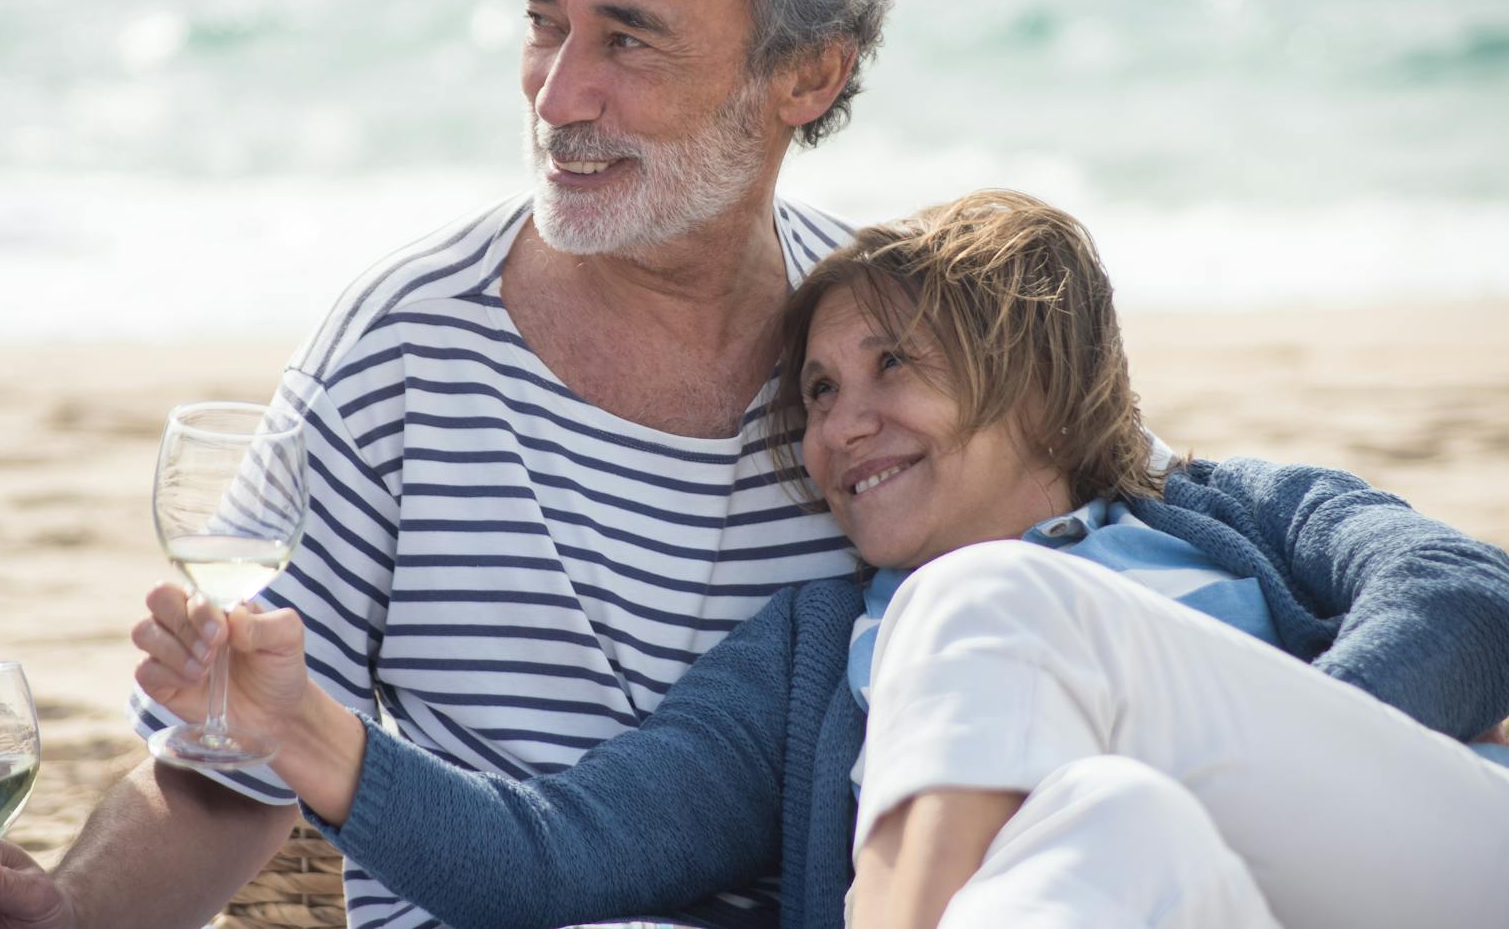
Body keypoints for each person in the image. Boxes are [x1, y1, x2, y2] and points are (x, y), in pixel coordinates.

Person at [0, 0, 890, 928]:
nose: (556, 96)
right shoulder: (404, 350)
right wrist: (64, 914)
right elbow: (225, 769)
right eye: (542, 24)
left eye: (627, 40)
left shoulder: (894, 359)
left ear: (806, 76)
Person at [124, 190, 1509, 928]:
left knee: (985, 604)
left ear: (1030, 377)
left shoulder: (1226, 508)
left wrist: (1277, 755)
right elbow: (554, 857)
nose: (844, 427)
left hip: (1422, 882)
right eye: (818, 398)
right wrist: (302, 728)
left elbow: (1465, 591)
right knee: (1110, 827)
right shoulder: (809, 657)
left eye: (890, 367)